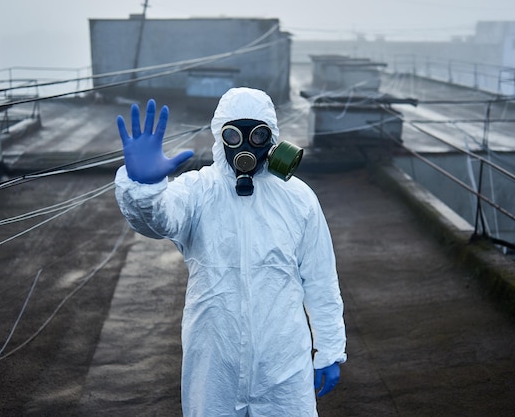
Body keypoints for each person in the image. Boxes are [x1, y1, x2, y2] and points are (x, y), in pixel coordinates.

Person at [114, 87, 346, 416]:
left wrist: (330, 348)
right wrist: (144, 189)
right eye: (235, 134)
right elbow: (157, 221)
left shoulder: (297, 198)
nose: (247, 145)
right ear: (220, 137)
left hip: (283, 363)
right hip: (213, 364)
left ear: (273, 139)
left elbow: (321, 279)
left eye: (259, 134)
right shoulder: (198, 190)